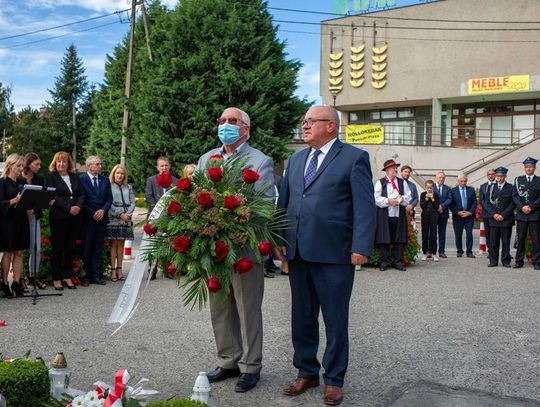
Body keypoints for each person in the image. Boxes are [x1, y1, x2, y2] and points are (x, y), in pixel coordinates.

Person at [278, 105, 376, 406]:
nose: (304, 126)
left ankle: (334, 379)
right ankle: (306, 371)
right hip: (298, 251)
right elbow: (285, 203)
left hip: (334, 254)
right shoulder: (295, 160)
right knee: (302, 317)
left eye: (311, 121)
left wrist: (360, 247)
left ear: (331, 126)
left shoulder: (353, 158)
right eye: (304, 122)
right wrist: (280, 241)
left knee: (335, 319)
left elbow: (364, 206)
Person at [198, 107, 274, 393]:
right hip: (213, 248)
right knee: (219, 309)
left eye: (233, 121)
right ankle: (228, 359)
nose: (225, 125)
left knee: (247, 309)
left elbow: (263, 205)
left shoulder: (260, 161)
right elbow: (196, 198)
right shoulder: (207, 158)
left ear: (246, 129)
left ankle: (251, 366)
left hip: (244, 249)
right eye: (222, 121)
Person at [46, 152, 85, 290]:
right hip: (59, 217)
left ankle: (67, 276)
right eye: (58, 162)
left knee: (70, 248)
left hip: (74, 217)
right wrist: (69, 207)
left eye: (64, 162)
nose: (61, 164)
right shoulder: (51, 177)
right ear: (55, 163)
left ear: (68, 163)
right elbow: (53, 196)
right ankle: (56, 278)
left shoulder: (75, 177)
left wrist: (78, 207)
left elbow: (81, 194)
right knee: (58, 248)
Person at [79, 155, 113, 286]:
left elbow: (109, 198)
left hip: (101, 219)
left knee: (98, 248)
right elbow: (82, 199)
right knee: (87, 247)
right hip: (88, 218)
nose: (100, 166)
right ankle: (86, 275)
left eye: (100, 164)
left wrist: (103, 210)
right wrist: (92, 212)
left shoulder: (105, 180)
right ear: (89, 166)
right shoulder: (82, 180)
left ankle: (96, 274)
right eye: (97, 164)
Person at [0, 154, 30, 297]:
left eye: (22, 166)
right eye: (18, 166)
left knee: (19, 252)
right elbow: (1, 204)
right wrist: (14, 200)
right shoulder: (3, 182)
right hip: (8, 221)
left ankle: (17, 283)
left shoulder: (22, 181)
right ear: (10, 165)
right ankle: (5, 283)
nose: (20, 169)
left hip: (21, 219)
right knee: (8, 252)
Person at [374, 159, 411, 272]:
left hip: (398, 215)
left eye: (396, 168)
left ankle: (398, 262)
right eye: (393, 168)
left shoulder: (402, 182)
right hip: (385, 215)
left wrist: (399, 200)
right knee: (384, 238)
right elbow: (376, 198)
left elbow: (408, 196)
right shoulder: (380, 182)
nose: (396, 170)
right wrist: (388, 201)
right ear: (387, 170)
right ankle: (384, 262)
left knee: (399, 239)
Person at [146, 156, 178, 280]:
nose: (164, 168)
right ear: (157, 167)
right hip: (155, 217)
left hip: (171, 218)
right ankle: (152, 269)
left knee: (169, 243)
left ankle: (168, 269)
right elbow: (149, 198)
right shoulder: (151, 180)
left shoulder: (175, 181)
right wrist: (159, 211)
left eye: (166, 165)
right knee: (153, 245)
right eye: (161, 166)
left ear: (169, 166)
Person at [19, 152, 47, 290]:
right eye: (36, 164)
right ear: (28, 164)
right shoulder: (18, 178)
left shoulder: (39, 178)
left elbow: (41, 199)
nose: (39, 166)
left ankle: (33, 276)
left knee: (36, 248)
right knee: (19, 250)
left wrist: (33, 209)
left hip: (34, 216)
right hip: (19, 218)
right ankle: (19, 278)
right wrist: (26, 209)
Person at [105, 164, 135, 281]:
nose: (120, 175)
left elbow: (132, 203)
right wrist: (119, 214)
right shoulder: (109, 186)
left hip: (126, 218)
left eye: (122, 173)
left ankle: (120, 269)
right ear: (114, 174)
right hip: (113, 217)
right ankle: (112, 270)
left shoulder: (129, 187)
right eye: (117, 173)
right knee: (113, 244)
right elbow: (109, 202)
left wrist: (126, 215)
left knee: (121, 244)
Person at [512, 157, 540, 270]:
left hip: (534, 214)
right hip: (522, 214)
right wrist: (522, 206)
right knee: (521, 237)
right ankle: (519, 261)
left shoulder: (539, 180)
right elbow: (515, 196)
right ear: (524, 168)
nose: (529, 168)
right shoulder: (518, 179)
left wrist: (531, 207)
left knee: (535, 239)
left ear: (534, 168)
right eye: (527, 167)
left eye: (531, 167)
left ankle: (537, 261)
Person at [486, 167, 515, 268]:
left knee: (506, 242)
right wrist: (494, 214)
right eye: (497, 176)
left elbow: (512, 204)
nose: (499, 178)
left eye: (501, 176)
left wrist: (503, 215)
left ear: (505, 176)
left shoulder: (511, 187)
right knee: (493, 242)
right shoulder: (491, 187)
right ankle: (493, 261)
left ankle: (506, 261)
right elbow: (487, 203)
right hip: (494, 219)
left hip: (505, 219)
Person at [450, 174, 477, 258]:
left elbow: (474, 202)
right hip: (458, 216)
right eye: (461, 181)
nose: (463, 183)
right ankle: (459, 251)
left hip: (469, 216)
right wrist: (457, 212)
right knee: (458, 234)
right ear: (458, 181)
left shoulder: (471, 190)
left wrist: (470, 212)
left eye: (465, 181)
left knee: (469, 234)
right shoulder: (453, 191)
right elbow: (451, 204)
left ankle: (469, 251)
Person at [420, 180, 440, 261]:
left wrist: (432, 198)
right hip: (425, 215)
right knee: (424, 235)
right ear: (425, 187)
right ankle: (424, 253)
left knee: (433, 235)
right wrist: (427, 198)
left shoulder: (436, 195)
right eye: (428, 187)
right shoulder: (423, 194)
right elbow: (422, 205)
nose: (429, 189)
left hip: (434, 215)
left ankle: (434, 253)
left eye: (431, 187)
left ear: (433, 187)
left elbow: (437, 206)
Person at [434, 171, 453, 258]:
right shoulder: (431, 187)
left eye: (443, 178)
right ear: (436, 178)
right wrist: (437, 207)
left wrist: (442, 206)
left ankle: (441, 251)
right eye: (439, 177)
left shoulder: (447, 189)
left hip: (443, 213)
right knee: (432, 233)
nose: (441, 179)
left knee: (442, 233)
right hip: (433, 214)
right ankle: (431, 251)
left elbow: (449, 199)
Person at [479, 168, 496, 255]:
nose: (491, 176)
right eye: (489, 174)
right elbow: (481, 201)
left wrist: (494, 212)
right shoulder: (483, 186)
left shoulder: (498, 185)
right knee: (488, 234)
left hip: (497, 214)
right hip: (486, 214)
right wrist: (490, 210)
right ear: (487, 176)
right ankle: (491, 252)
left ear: (495, 175)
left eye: (492, 174)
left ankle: (503, 251)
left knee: (497, 235)